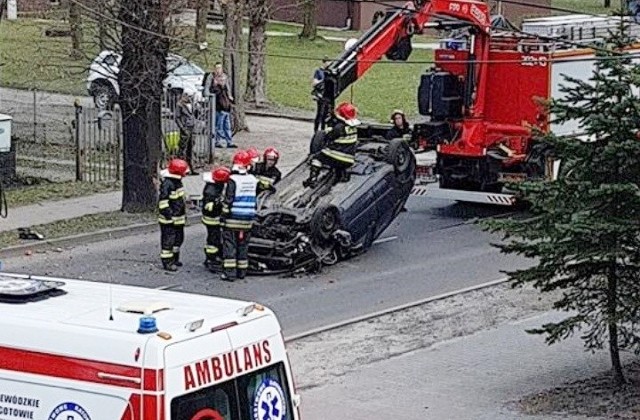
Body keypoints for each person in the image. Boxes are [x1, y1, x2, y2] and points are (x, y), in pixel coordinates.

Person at [220, 150, 259, 281]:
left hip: (233, 218)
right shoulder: (253, 180)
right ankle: (242, 272)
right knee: (243, 246)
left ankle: (230, 273)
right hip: (248, 219)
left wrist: (223, 216)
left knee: (230, 245)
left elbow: (228, 201)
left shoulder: (233, 180)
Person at [304, 102, 360, 187]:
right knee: (340, 164)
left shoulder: (339, 127)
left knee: (316, 158)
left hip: (334, 156)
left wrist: (328, 130)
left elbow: (329, 137)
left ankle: (312, 178)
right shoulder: (354, 128)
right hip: (349, 160)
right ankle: (341, 175)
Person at [158, 158, 189, 272]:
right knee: (168, 241)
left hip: (178, 218)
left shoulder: (177, 182)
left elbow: (179, 201)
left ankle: (175, 259)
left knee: (178, 239)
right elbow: (163, 203)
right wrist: (169, 216)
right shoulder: (167, 184)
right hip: (169, 220)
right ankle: (167, 262)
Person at [201, 166, 231, 271]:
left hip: (213, 218)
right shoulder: (211, 191)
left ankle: (214, 257)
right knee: (213, 240)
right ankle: (211, 260)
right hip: (212, 219)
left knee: (215, 238)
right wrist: (220, 204)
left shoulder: (215, 186)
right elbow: (210, 208)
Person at [208, 63, 236, 149]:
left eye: (219, 68)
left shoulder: (225, 81)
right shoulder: (212, 80)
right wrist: (217, 86)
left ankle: (229, 141)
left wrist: (230, 98)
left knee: (227, 126)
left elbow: (228, 92)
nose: (218, 70)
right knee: (218, 125)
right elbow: (211, 92)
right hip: (218, 107)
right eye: (217, 68)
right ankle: (218, 141)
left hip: (226, 107)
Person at [175, 93, 197, 174]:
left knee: (190, 148)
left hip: (192, 127)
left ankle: (191, 167)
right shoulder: (179, 105)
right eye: (186, 96)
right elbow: (177, 117)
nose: (188, 97)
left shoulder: (191, 104)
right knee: (182, 148)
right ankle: (180, 167)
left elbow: (194, 114)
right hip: (185, 128)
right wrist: (182, 128)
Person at [312, 56, 331, 133]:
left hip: (327, 95)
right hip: (320, 95)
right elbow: (314, 83)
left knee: (326, 114)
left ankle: (323, 129)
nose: (329, 64)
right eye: (327, 62)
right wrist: (323, 80)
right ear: (324, 62)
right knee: (320, 113)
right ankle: (316, 130)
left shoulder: (329, 71)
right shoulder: (319, 71)